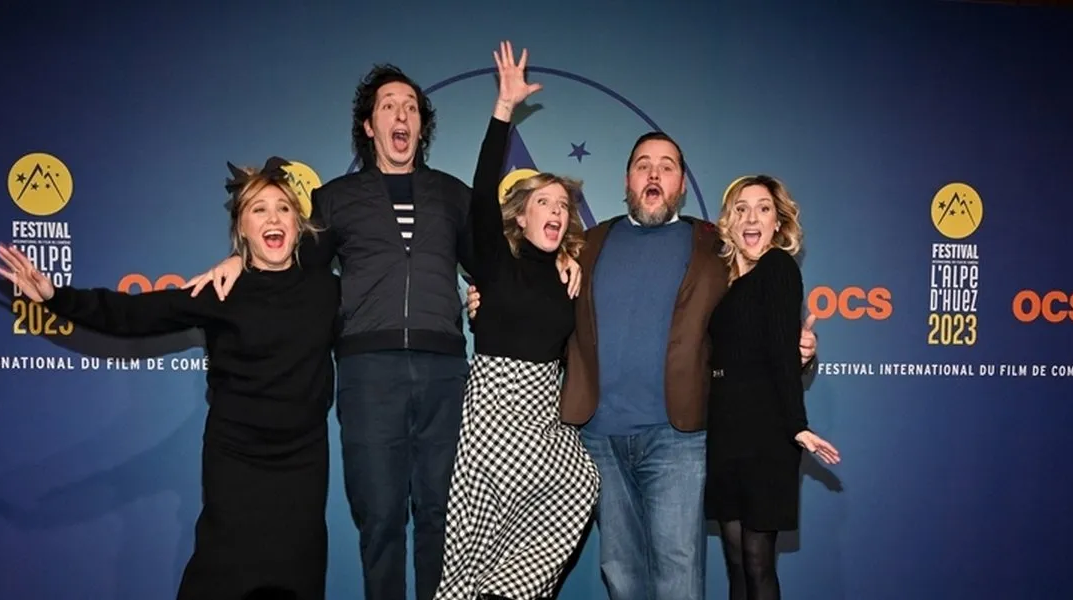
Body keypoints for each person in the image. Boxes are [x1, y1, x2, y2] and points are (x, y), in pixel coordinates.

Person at [182, 65, 580, 600]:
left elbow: (498, 267)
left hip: (446, 374)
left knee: (443, 519)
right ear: (369, 126)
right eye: (389, 106)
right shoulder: (336, 198)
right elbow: (290, 265)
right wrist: (239, 262)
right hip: (368, 374)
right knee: (381, 519)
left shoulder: (453, 195)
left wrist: (564, 261)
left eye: (412, 108)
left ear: (421, 127)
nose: (402, 115)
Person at [466, 135, 818, 600]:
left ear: (681, 184)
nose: (654, 174)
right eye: (643, 165)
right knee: (622, 573)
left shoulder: (716, 248)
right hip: (598, 440)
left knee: (679, 573)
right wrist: (483, 302)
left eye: (667, 166)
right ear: (627, 179)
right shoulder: (583, 245)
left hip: (678, 441)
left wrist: (798, 347)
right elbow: (523, 288)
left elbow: (756, 314)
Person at [0, 158, 340, 600]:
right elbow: (132, 315)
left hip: (302, 462)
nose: (273, 217)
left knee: (297, 577)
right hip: (236, 458)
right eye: (258, 209)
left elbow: (358, 239)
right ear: (242, 230)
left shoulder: (326, 290)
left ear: (299, 224)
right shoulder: (219, 292)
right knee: (221, 577)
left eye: (283, 209)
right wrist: (55, 296)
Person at [433, 42, 600, 600]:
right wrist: (503, 109)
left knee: (580, 481)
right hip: (493, 415)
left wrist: (572, 261)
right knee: (472, 544)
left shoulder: (571, 274)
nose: (556, 212)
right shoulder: (494, 263)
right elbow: (481, 193)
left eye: (563, 206)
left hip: (544, 415)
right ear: (521, 215)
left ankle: (506, 594)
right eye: (544, 203)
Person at [707, 175, 839, 600]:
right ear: (728, 221)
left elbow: (783, 352)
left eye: (763, 208)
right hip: (727, 433)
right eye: (741, 208)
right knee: (735, 564)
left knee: (758, 562)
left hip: (766, 435)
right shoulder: (723, 281)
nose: (751, 217)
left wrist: (796, 425)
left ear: (779, 222)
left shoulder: (778, 268)